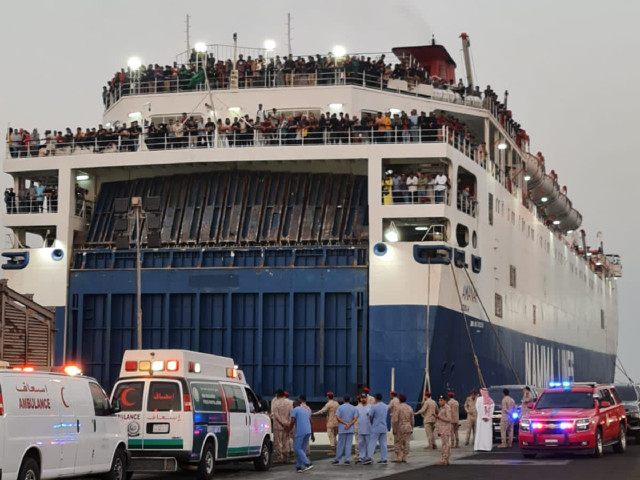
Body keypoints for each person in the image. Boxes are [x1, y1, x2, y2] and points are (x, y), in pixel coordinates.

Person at [286, 399, 314, 473]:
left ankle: (308, 463)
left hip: (300, 431)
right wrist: (312, 434)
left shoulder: (295, 410)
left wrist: (288, 430)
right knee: (302, 450)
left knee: (297, 448)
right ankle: (299, 466)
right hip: (308, 431)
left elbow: (292, 421)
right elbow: (311, 422)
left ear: (294, 404)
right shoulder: (305, 410)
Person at [332, 395, 357, 465]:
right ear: (349, 400)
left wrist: (345, 423)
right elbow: (355, 418)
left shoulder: (340, 407)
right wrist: (349, 424)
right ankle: (347, 459)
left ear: (343, 400)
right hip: (350, 428)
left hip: (342, 428)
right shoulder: (353, 408)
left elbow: (337, 417)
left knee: (340, 444)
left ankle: (337, 459)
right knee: (348, 445)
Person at [313, 391, 339, 456]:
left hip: (330, 422)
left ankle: (333, 450)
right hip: (337, 422)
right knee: (335, 436)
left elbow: (322, 411)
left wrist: (314, 413)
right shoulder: (336, 403)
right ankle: (336, 449)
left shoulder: (328, 404)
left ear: (327, 397)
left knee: (331, 436)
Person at [270, 389, 292, 463]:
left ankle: (280, 457)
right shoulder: (290, 402)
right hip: (287, 425)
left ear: (277, 395)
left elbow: (276, 415)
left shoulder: (275, 403)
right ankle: (285, 456)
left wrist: (282, 423)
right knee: (285, 440)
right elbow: (291, 414)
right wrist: (288, 423)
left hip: (278, 425)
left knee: (277, 442)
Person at [368, 393, 389, 464]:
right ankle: (384, 458)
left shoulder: (374, 407)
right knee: (383, 443)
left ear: (375, 398)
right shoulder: (386, 406)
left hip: (376, 427)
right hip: (383, 427)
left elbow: (370, 416)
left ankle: (369, 457)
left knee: (372, 443)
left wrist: (372, 424)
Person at [393, 394, 414, 462]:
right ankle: (404, 457)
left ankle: (398, 457)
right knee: (406, 442)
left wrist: (394, 429)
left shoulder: (398, 407)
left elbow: (395, 420)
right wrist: (412, 427)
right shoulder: (409, 407)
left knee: (398, 442)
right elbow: (412, 420)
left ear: (399, 400)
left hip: (400, 427)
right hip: (408, 427)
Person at [434, 395, 454, 466]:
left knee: (445, 445)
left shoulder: (447, 408)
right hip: (442, 429)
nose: (440, 402)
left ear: (445, 401)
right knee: (445, 444)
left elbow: (449, 419)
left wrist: (438, 417)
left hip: (445, 429)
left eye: (441, 400)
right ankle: (445, 459)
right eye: (439, 400)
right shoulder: (441, 408)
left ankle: (444, 460)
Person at [355, 394, 372, 464]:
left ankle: (369, 457)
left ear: (367, 399)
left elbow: (373, 417)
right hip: (360, 428)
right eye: (362, 398)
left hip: (368, 428)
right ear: (360, 399)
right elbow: (355, 417)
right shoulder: (357, 408)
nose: (363, 399)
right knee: (361, 443)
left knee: (368, 444)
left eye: (365, 398)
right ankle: (361, 457)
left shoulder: (370, 407)